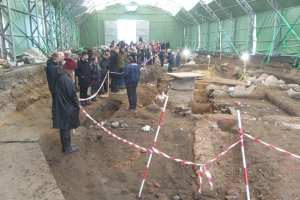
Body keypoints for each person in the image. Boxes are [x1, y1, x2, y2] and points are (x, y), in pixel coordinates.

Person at [51, 59, 80, 154]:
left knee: (64, 127)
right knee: (66, 126)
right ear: (69, 69)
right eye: (73, 70)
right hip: (66, 105)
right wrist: (76, 104)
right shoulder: (66, 79)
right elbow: (72, 94)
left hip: (61, 104)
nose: (73, 72)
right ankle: (67, 148)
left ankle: (66, 145)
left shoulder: (59, 75)